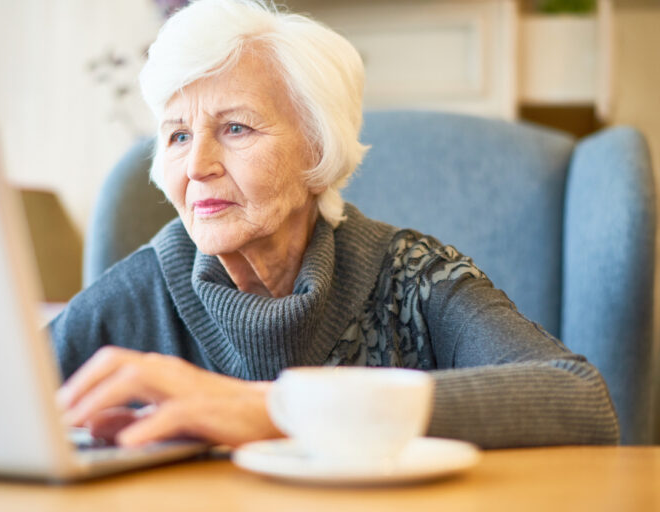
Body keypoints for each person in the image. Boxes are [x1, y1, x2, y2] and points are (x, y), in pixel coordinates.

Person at [52, 0, 619, 449]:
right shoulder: (138, 292)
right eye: (177, 135)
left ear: (317, 150)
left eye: (237, 128)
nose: (197, 165)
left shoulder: (413, 280)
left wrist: (273, 411)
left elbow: (579, 399)